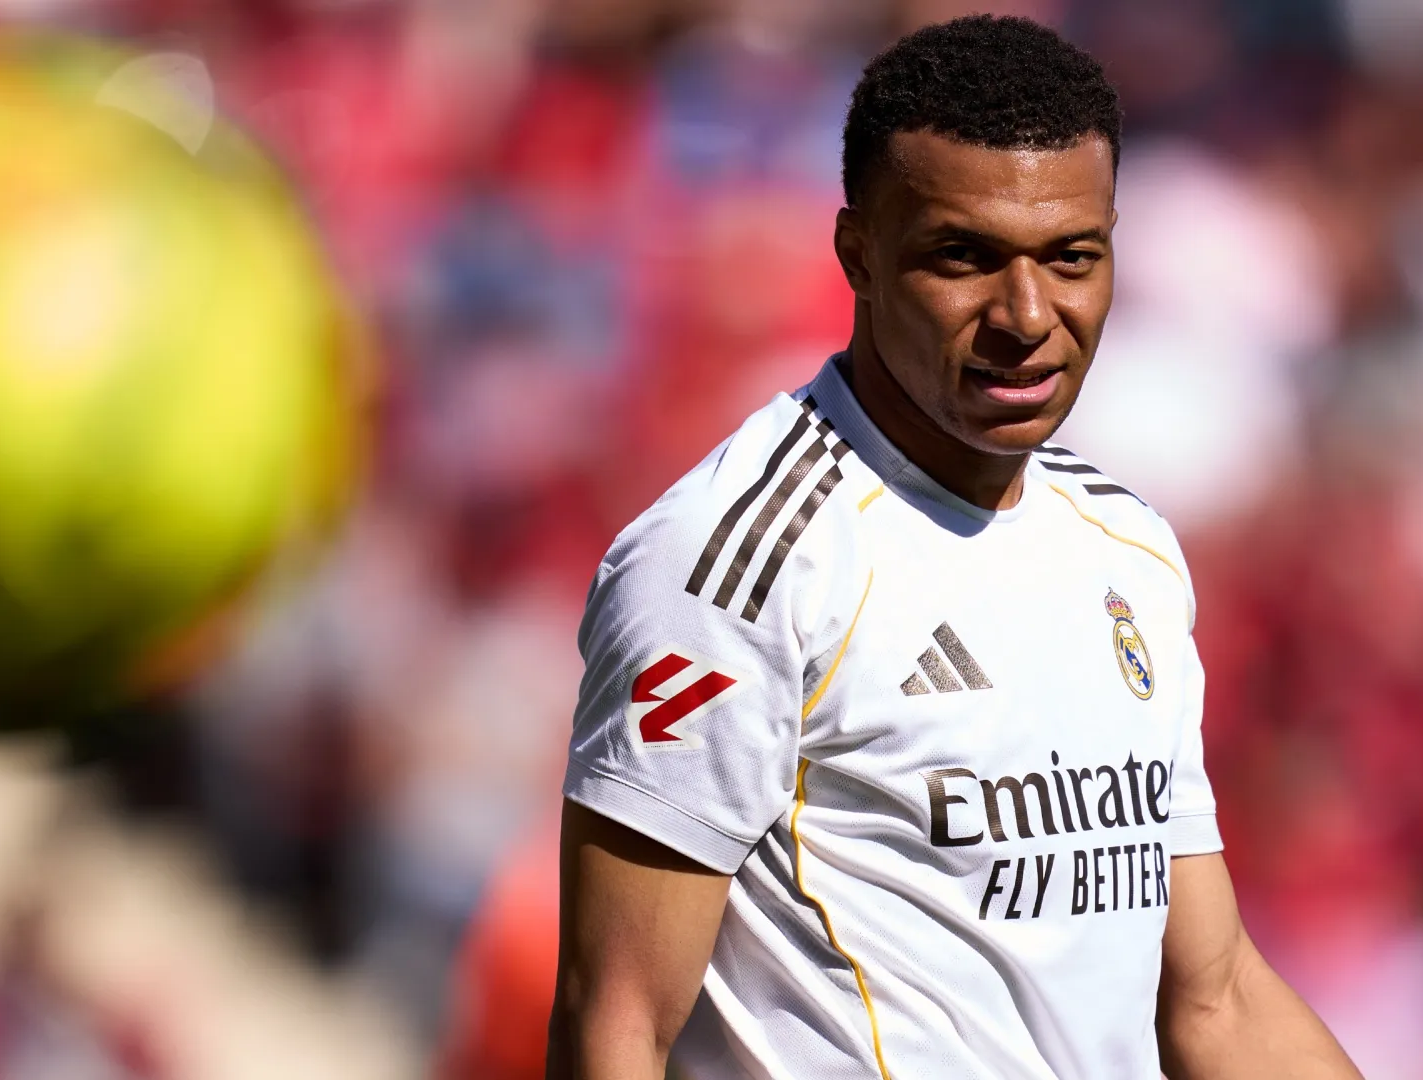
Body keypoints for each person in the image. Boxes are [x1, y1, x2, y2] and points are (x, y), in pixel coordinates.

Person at [547, 15, 1362, 1080]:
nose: (1027, 314)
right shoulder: (736, 563)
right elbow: (615, 1023)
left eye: (1072, 257)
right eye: (963, 258)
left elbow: (1214, 997)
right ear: (860, 256)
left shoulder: (1127, 548)